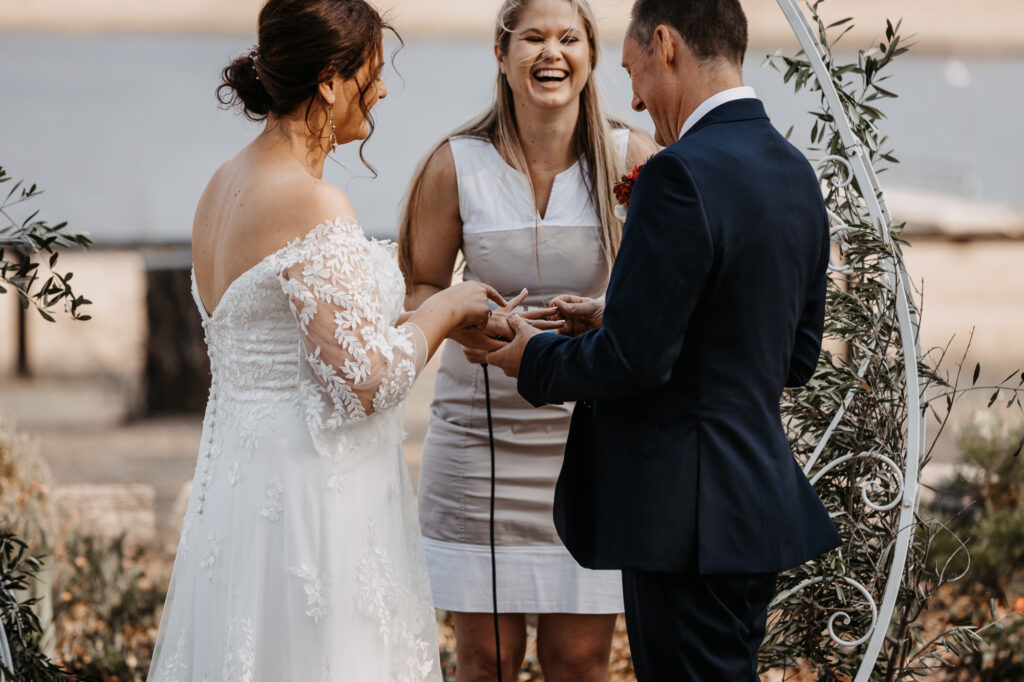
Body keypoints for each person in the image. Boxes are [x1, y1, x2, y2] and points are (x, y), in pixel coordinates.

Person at [146, 1, 511, 679]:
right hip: (315, 500)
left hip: (240, 487)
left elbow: (314, 344)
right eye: (372, 70)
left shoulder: (220, 185)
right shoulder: (311, 203)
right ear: (329, 81)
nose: (382, 87)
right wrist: (449, 306)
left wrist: (429, 316)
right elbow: (362, 383)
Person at [486, 0, 843, 679]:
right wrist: (616, 313)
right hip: (751, 511)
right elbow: (792, 357)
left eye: (631, 69)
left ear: (666, 45)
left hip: (685, 523)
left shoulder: (677, 173)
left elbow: (633, 363)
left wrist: (531, 355)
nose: (633, 96)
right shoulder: (794, 169)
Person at [398, 0, 657, 679]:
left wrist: (606, 311)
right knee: (487, 659)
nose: (551, 53)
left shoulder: (633, 158)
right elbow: (421, 289)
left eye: (568, 38)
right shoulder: (454, 164)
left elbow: (665, 293)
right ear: (501, 54)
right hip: (475, 442)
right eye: (533, 37)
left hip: (591, 443)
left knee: (577, 661)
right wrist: (465, 319)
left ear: (592, 55)